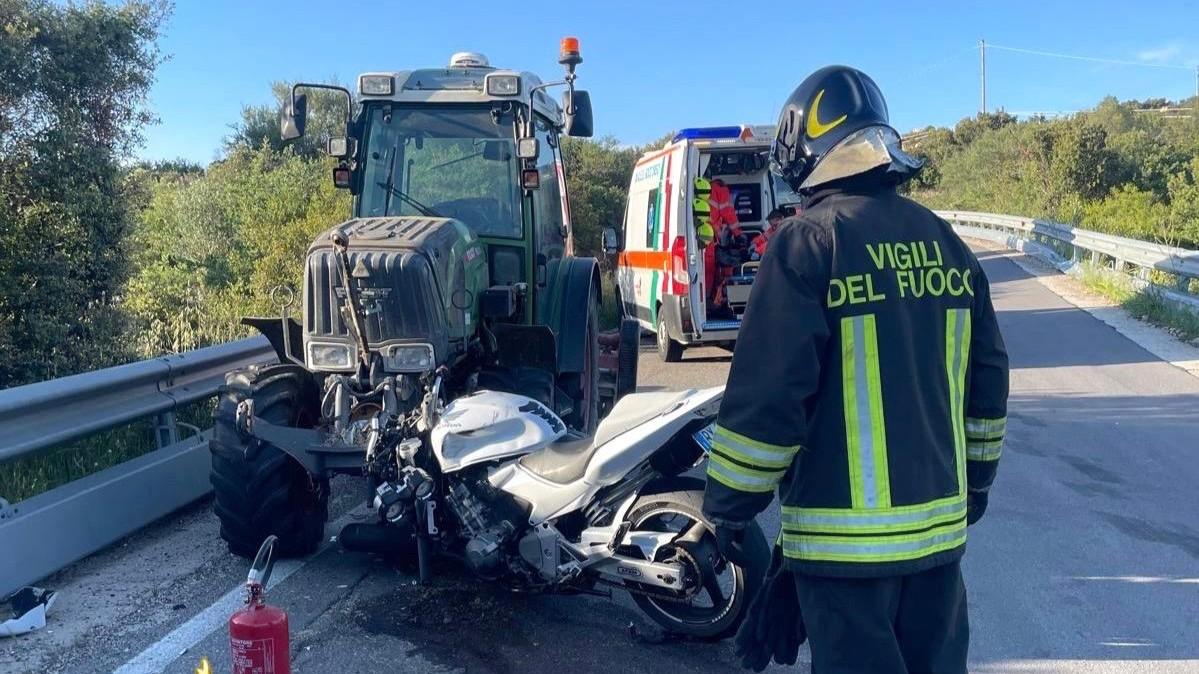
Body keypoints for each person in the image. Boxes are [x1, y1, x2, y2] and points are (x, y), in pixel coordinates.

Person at [703, 65, 1009, 673]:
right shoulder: (947, 244)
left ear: (806, 156)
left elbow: (767, 403)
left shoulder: (806, 243)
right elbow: (987, 385)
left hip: (844, 559)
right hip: (938, 551)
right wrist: (974, 488)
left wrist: (727, 510)